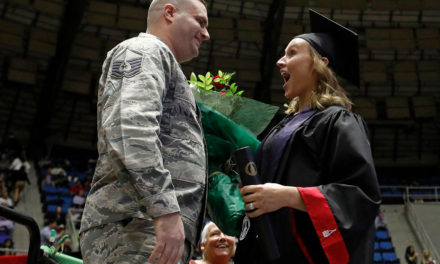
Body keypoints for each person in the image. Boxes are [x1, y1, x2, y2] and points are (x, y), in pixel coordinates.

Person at [236, 9, 381, 263]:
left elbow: (359, 194)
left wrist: (288, 196)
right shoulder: (282, 127)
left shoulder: (338, 120)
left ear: (320, 63)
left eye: (292, 53)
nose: (280, 61)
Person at [79, 0, 210, 263]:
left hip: (148, 225)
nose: (207, 34)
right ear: (170, 12)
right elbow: (130, 130)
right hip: (139, 225)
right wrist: (164, 209)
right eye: (200, 21)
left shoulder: (162, 61)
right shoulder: (144, 50)